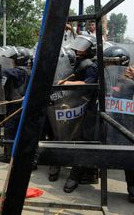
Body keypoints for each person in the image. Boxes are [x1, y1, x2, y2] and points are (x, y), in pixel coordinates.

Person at [59, 34, 98, 193]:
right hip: (75, 104)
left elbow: (89, 83)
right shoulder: (79, 62)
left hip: (87, 105)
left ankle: (76, 176)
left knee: (84, 140)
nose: (78, 50)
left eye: (83, 48)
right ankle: (88, 173)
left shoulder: (92, 65)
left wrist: (68, 83)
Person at [102, 45, 134, 202]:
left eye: (112, 64)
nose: (109, 67)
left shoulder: (130, 80)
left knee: (128, 155)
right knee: (94, 145)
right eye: (107, 63)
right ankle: (77, 175)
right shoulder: (104, 80)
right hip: (106, 120)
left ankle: (132, 189)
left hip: (127, 124)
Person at [0, 46, 31, 163]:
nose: (11, 62)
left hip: (17, 105)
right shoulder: (28, 70)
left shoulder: (19, 71)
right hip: (21, 104)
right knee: (19, 129)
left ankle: (8, 155)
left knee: (10, 128)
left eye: (12, 59)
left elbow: (0, 72)